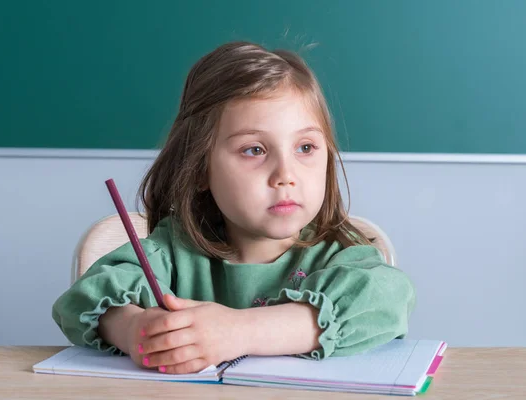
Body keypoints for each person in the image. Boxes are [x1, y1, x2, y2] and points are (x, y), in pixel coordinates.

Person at [52, 41, 416, 375]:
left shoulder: (340, 258)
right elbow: (86, 299)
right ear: (199, 170)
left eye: (305, 148)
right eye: (254, 150)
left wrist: (238, 332)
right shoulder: (173, 252)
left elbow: (389, 301)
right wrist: (135, 329)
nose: (285, 175)